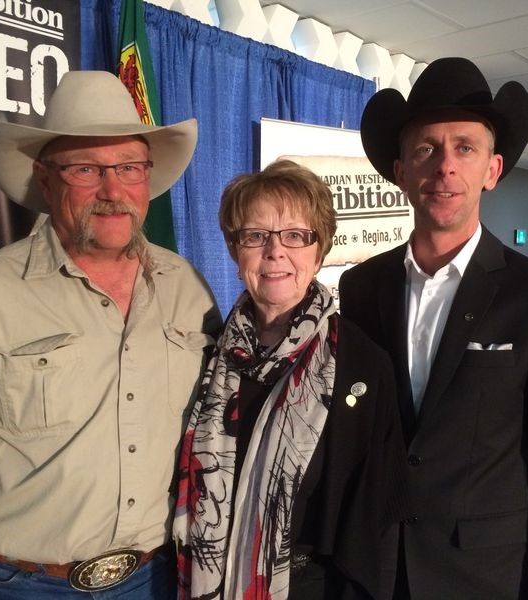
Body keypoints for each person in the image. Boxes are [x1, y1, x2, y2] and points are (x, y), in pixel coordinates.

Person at [0, 70, 222, 599]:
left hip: (156, 579)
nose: (113, 191)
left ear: (146, 177)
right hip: (17, 585)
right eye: (86, 169)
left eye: (128, 167)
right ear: (46, 180)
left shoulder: (188, 288)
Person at [338, 57, 528, 599]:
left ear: (492, 169)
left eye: (465, 147)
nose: (445, 167)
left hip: (483, 577)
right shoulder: (360, 288)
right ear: (401, 170)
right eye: (426, 149)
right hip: (373, 571)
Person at [173, 159, 409, 599]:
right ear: (234, 248)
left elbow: (374, 519)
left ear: (319, 252)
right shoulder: (207, 354)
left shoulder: (362, 365)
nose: (275, 251)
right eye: (256, 235)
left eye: (296, 236)